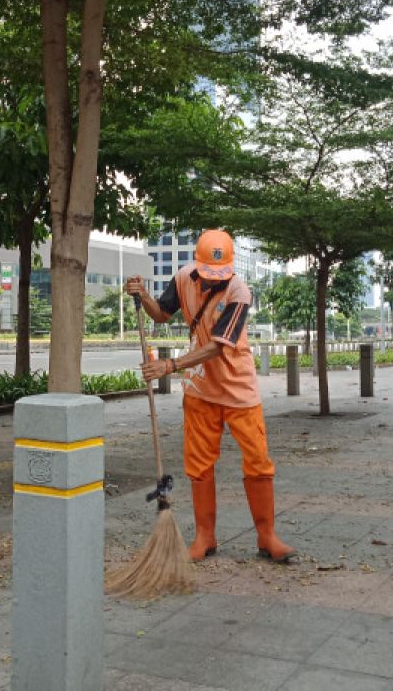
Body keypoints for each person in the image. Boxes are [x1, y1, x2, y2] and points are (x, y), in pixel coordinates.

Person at [126, 230, 297, 563]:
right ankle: (205, 537)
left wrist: (170, 365)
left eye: (220, 274)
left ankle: (267, 536)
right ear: (198, 263)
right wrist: (144, 294)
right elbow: (161, 314)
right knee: (199, 465)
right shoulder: (182, 278)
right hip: (201, 390)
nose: (213, 281)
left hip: (239, 391)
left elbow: (218, 346)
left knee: (258, 462)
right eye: (208, 274)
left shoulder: (239, 291)